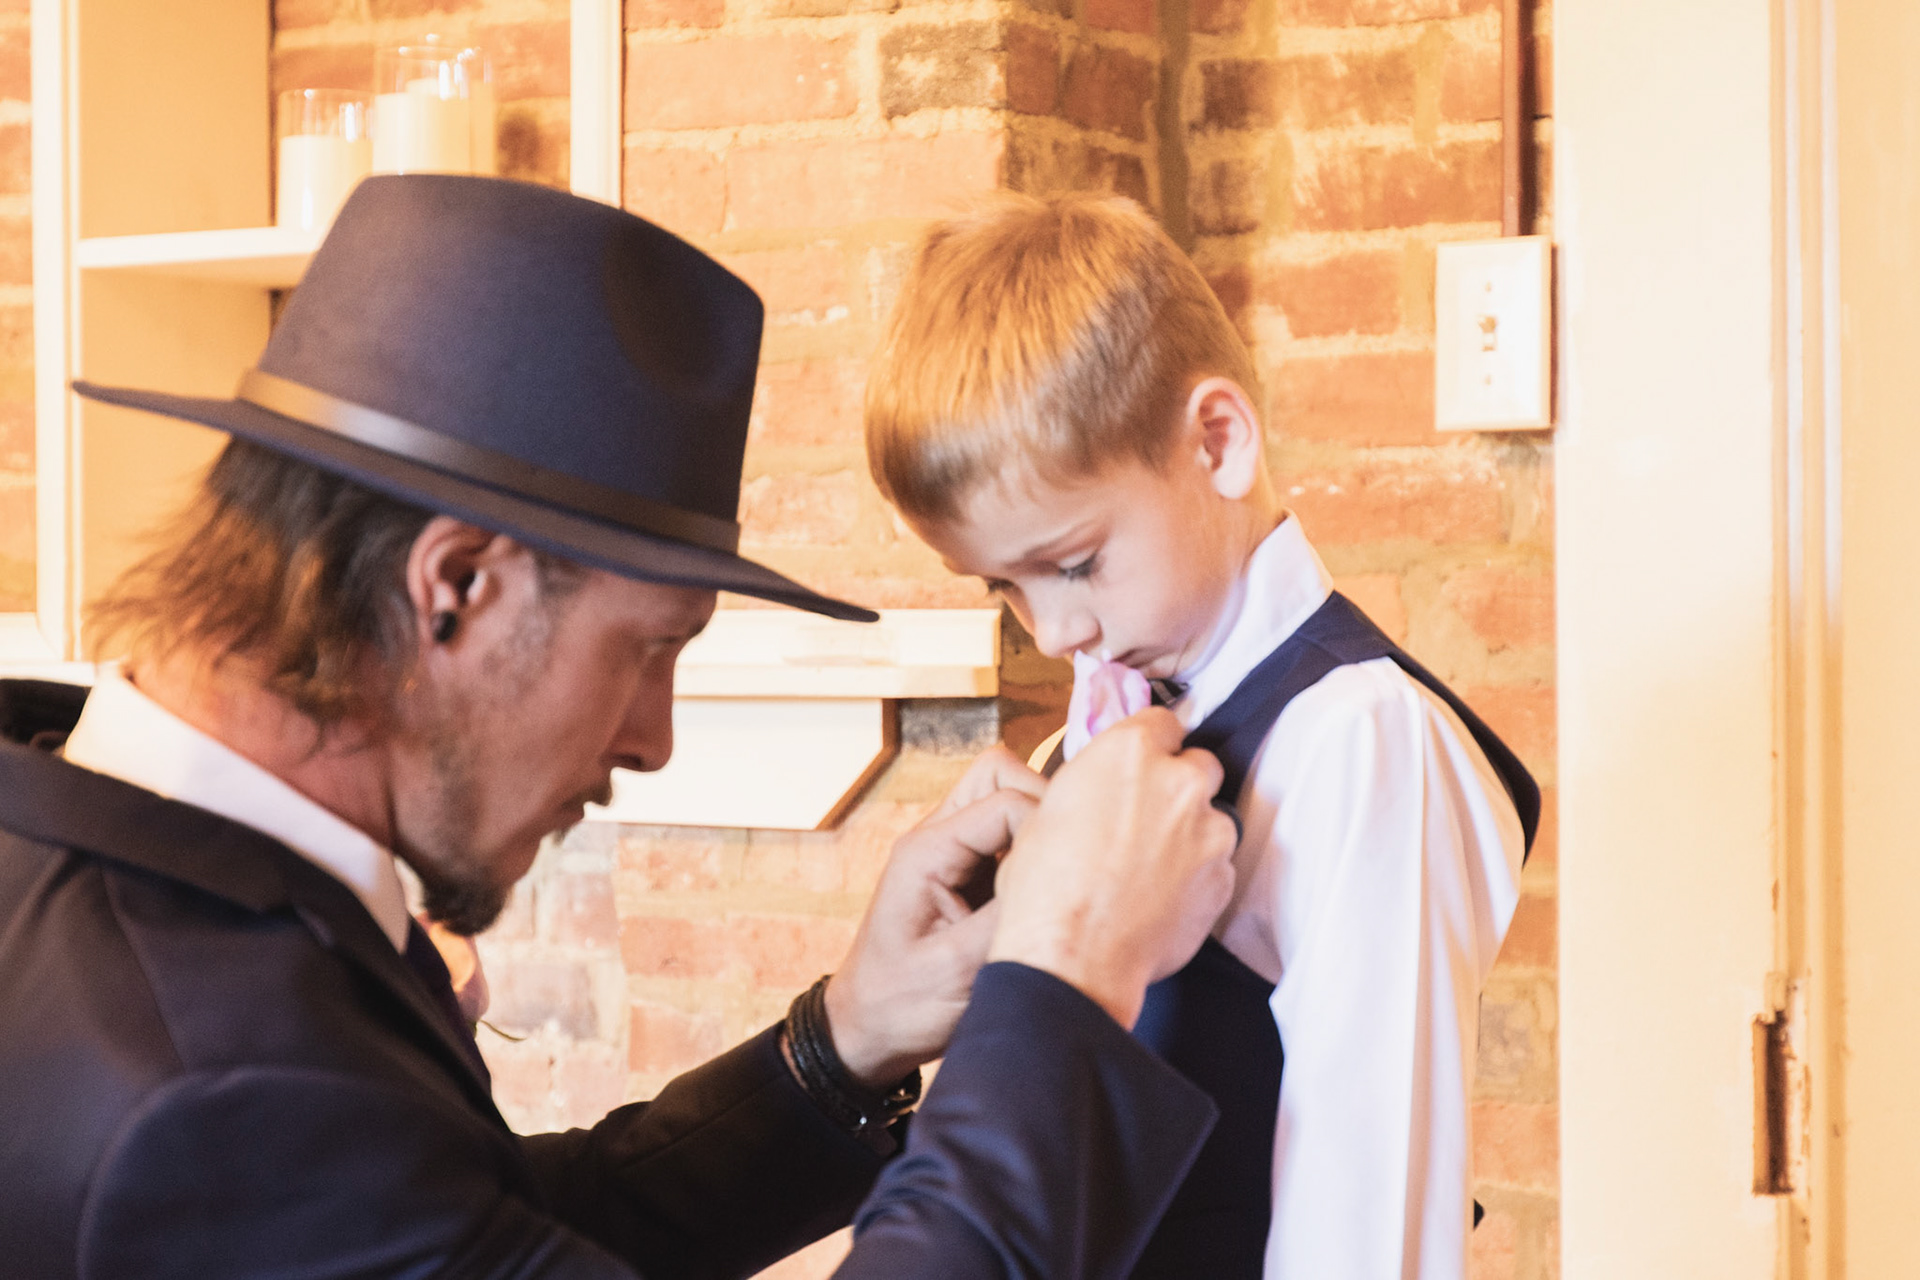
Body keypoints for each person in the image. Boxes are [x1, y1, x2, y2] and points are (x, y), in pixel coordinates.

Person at [0, 175, 1242, 1278]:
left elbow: (497, 1232)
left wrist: (843, 1039)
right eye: (651, 648)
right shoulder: (213, 1090)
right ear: (456, 586)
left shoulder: (83, 872)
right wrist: (1067, 978)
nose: (654, 740)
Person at [864, 192, 1542, 1279]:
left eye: (1075, 564)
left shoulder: (1359, 741)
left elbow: (1365, 1224)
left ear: (1217, 442)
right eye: (1003, 587)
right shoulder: (1093, 739)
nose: (1053, 631)